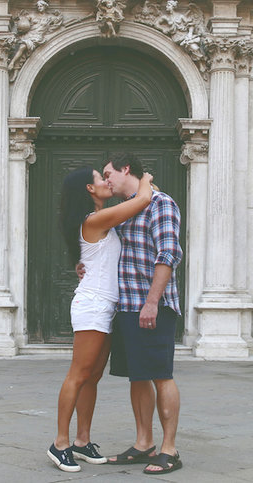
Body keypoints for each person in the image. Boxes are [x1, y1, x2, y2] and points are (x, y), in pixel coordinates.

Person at [48, 166, 155, 473]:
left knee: (92, 377)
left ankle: (82, 441)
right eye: (100, 178)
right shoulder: (94, 220)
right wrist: (145, 178)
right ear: (89, 190)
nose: (107, 181)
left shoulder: (100, 220)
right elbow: (141, 201)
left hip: (107, 304)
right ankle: (60, 443)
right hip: (93, 304)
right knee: (78, 375)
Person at [101, 152, 183, 475]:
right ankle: (143, 443)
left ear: (125, 169)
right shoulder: (126, 210)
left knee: (162, 375)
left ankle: (170, 449)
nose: (106, 181)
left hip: (154, 307)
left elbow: (168, 254)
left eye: (109, 174)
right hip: (127, 307)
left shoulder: (161, 204)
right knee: (137, 377)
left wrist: (152, 302)